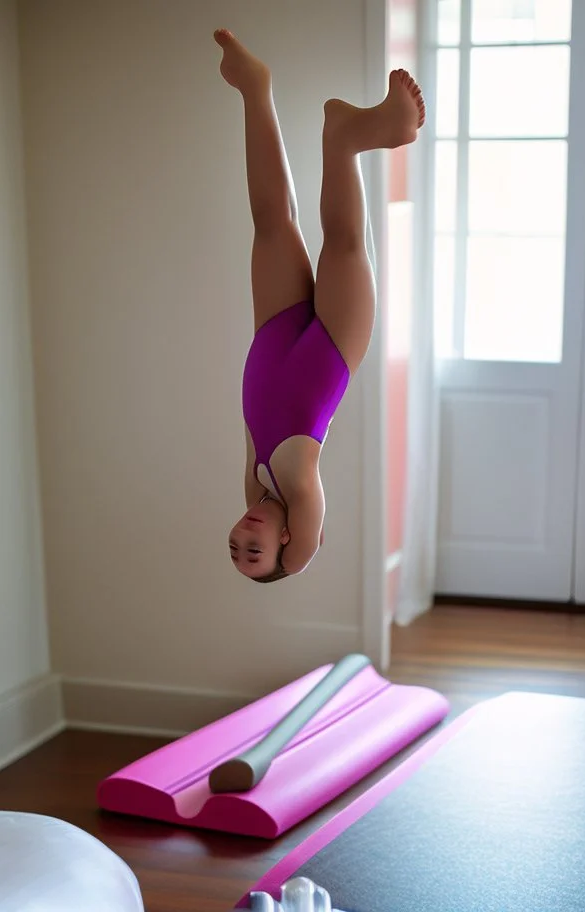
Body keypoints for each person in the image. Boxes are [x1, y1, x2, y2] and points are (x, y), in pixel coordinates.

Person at [216, 28, 425, 581]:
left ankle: (255, 91)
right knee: (346, 242)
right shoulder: (303, 512)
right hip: (329, 346)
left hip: (274, 335)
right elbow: (301, 560)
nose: (241, 538)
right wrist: (288, 560)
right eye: (253, 553)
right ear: (288, 543)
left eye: (233, 548)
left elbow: (260, 540)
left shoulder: (255, 483)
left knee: (271, 221)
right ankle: (347, 139)